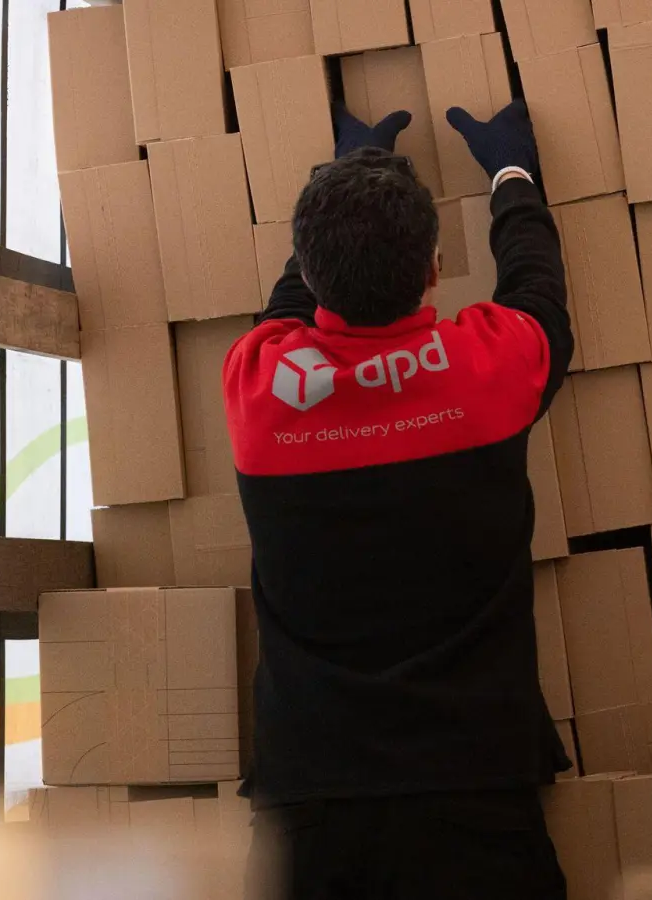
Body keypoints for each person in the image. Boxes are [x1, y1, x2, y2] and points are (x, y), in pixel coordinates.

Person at [221, 99, 573, 899]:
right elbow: (538, 292)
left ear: (312, 275)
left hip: (309, 807)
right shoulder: (488, 372)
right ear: (435, 270)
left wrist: (343, 178)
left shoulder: (259, 391)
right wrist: (513, 176)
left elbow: (286, 307)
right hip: (477, 791)